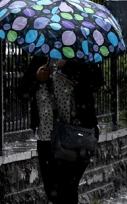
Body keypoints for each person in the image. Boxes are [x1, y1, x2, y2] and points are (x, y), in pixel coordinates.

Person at [15, 56, 103, 204]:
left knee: (68, 187)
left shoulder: (81, 57)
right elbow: (21, 93)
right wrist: (36, 77)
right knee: (52, 191)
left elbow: (97, 82)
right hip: (46, 138)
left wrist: (68, 66)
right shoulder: (40, 60)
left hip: (76, 136)